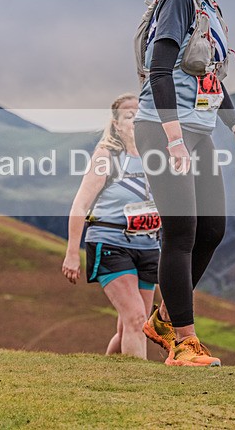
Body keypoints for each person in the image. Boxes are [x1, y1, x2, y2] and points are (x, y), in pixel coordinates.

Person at [134, 0, 235, 367]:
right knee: (182, 231)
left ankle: (165, 317)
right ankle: (184, 343)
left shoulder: (208, 7)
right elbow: (160, 70)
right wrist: (172, 139)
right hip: (164, 130)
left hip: (199, 130)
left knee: (212, 229)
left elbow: (211, 78)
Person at [62, 93, 161, 359]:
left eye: (141, 116)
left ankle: (108, 372)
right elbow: (80, 205)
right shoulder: (107, 157)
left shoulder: (156, 158)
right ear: (116, 124)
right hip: (111, 243)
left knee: (130, 325)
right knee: (137, 318)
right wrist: (72, 252)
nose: (136, 120)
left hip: (149, 245)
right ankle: (138, 387)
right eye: (129, 116)